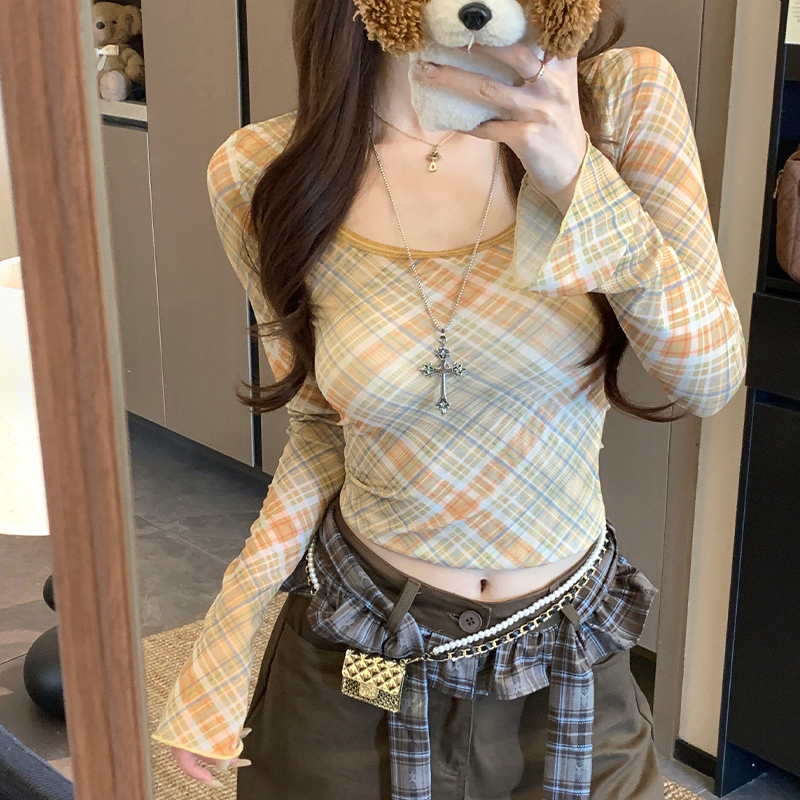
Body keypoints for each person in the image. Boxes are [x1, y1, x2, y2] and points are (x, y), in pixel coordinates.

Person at [151, 0, 747, 797]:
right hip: (366, 641)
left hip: (568, 647)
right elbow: (321, 427)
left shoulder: (621, 100)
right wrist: (228, 641)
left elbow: (707, 377)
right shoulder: (263, 169)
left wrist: (577, 172)